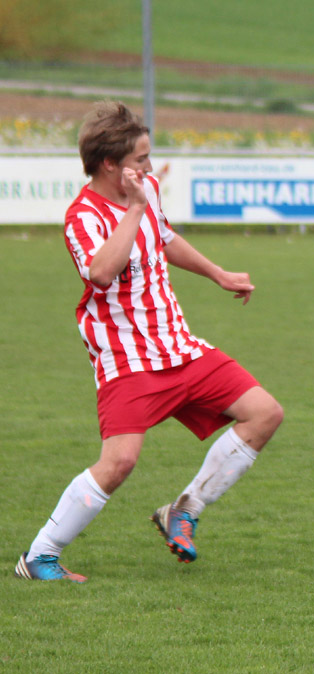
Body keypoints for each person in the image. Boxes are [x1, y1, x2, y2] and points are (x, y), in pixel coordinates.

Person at [14, 101, 284, 583]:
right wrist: (134, 209)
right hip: (127, 359)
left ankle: (184, 509)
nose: (149, 168)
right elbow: (99, 272)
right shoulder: (83, 216)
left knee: (264, 413)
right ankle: (39, 556)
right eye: (140, 160)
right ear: (109, 164)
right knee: (118, 463)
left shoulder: (147, 191)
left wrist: (217, 273)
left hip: (177, 345)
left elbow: (163, 237)